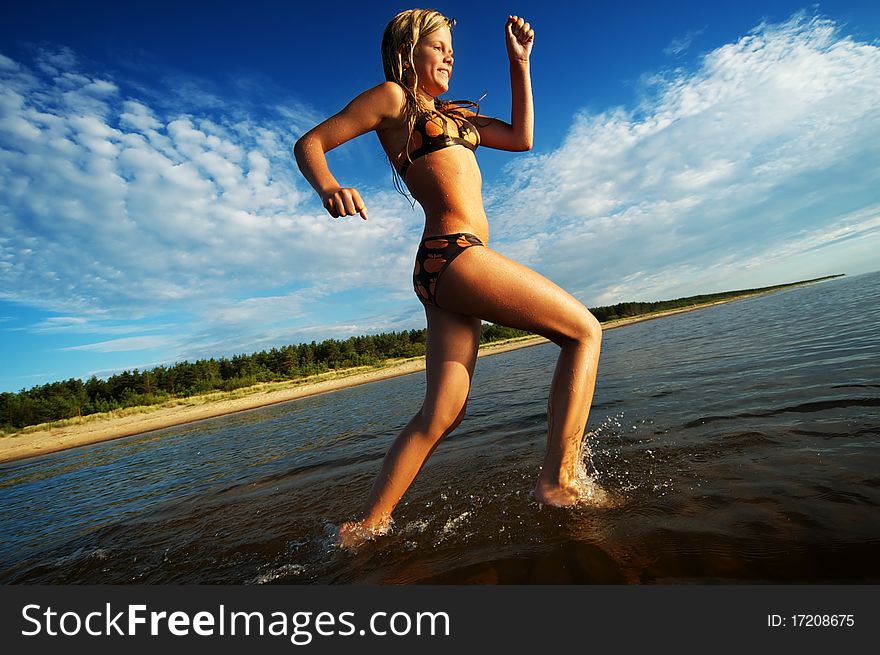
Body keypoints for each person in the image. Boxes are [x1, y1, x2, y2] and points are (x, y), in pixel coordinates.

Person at [294, 9, 602, 549]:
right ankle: (558, 482)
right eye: (438, 46)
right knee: (583, 332)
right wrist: (329, 188)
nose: (449, 55)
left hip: (442, 267)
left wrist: (519, 64)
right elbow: (311, 144)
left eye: (451, 48)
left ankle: (365, 528)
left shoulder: (455, 118)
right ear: (407, 52)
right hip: (453, 253)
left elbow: (522, 137)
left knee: (444, 411)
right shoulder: (393, 98)